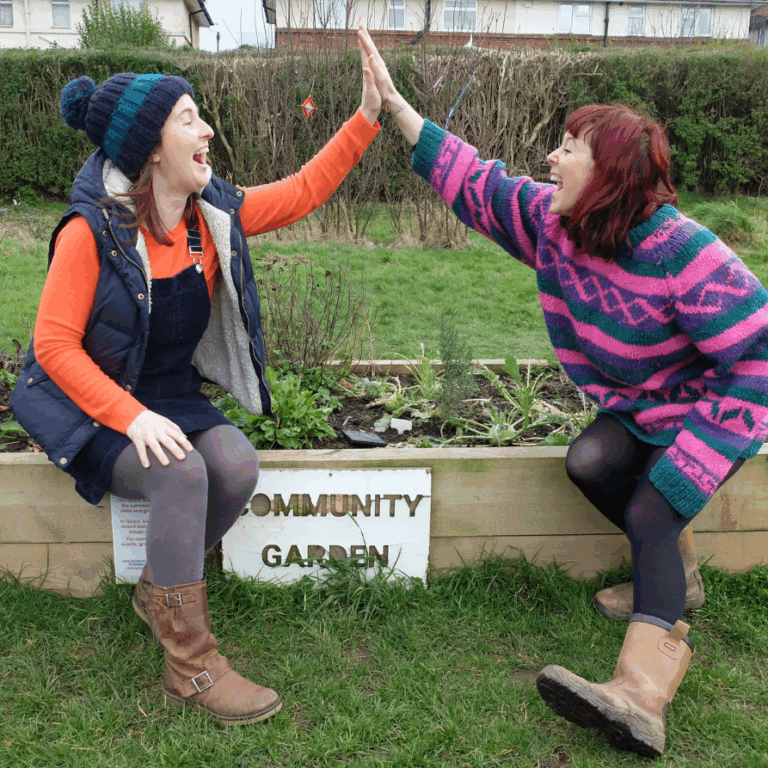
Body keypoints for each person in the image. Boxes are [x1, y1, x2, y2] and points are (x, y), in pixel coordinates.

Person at [358, 27, 768, 757]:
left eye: (568, 148)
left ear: (606, 171)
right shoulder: (559, 225)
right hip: (641, 411)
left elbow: (757, 357)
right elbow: (475, 182)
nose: (551, 157)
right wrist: (393, 103)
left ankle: (642, 694)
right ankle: (675, 570)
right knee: (588, 464)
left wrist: (699, 456)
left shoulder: (688, 255)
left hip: (715, 412)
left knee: (651, 507)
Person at [10, 33, 381, 726]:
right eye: (188, 118)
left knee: (235, 468)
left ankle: (160, 589)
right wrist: (131, 417)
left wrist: (365, 115)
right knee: (182, 472)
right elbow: (54, 348)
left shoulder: (211, 215)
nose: (206, 127)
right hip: (93, 409)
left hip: (169, 398)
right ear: (152, 147)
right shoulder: (89, 232)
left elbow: (300, 194)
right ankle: (190, 666)